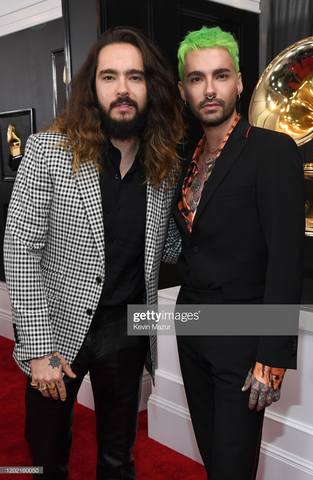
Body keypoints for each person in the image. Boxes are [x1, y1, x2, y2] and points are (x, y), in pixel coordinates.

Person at [3, 26, 183, 480]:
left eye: (135, 77)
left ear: (151, 87)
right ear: (92, 87)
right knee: (47, 457)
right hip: (58, 332)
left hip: (128, 329)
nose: (122, 89)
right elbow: (21, 249)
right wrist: (39, 350)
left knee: (118, 458)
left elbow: (169, 245)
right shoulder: (48, 151)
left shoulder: (163, 164)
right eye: (109, 77)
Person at [163, 26, 304, 479]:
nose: (209, 89)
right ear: (185, 88)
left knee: (233, 467)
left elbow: (286, 257)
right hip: (192, 329)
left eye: (220, 76)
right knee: (213, 458)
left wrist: (273, 356)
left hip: (244, 342)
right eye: (197, 78)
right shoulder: (186, 160)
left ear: (239, 82)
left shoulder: (272, 151)